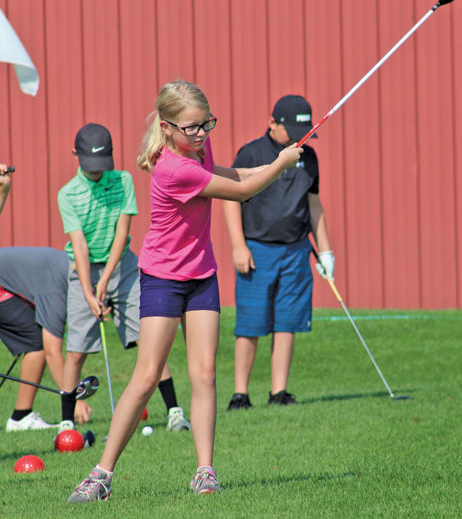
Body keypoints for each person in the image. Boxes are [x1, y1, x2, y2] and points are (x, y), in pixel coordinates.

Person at [67, 80, 303, 503]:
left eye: (205, 125)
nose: (200, 135)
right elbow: (243, 191)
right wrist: (281, 164)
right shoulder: (172, 168)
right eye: (191, 128)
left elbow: (230, 176)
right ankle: (101, 473)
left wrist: (264, 166)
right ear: (167, 127)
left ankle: (205, 471)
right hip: (162, 277)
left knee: (205, 374)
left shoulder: (197, 152)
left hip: (201, 277)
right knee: (145, 377)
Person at [57, 123, 189, 432]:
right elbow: (79, 245)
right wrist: (90, 290)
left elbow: (122, 233)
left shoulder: (123, 180)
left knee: (149, 339)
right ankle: (65, 424)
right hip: (82, 269)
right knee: (76, 350)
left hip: (124, 267)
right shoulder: (68, 194)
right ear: (75, 155)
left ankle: (174, 412)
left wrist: (105, 282)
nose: (98, 172)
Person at [223, 95, 334, 410]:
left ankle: (279, 392)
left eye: (304, 129)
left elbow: (313, 204)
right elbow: (231, 198)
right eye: (292, 128)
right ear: (272, 123)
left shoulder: (308, 157)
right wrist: (238, 245)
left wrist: (325, 252)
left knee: (288, 321)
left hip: (297, 250)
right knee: (251, 322)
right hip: (257, 249)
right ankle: (240, 394)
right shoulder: (252, 152)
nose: (299, 135)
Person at [0, 246, 79, 431]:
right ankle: (20, 417)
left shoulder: (67, 266)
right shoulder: (57, 287)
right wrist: (75, 401)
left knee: (34, 340)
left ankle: (21, 415)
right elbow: (53, 352)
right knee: (37, 343)